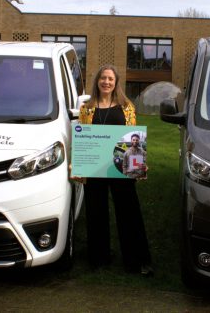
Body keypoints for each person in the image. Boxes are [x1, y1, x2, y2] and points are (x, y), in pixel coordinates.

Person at [77, 64, 153, 276]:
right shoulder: (87, 108)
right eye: (103, 78)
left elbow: (133, 138)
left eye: (110, 79)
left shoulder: (126, 106)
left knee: (129, 212)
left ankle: (137, 260)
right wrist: (80, 164)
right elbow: (82, 137)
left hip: (121, 167)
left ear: (116, 82)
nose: (106, 82)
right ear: (97, 81)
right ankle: (99, 258)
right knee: (96, 212)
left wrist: (138, 165)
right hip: (95, 168)